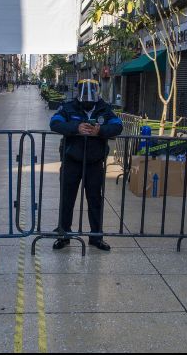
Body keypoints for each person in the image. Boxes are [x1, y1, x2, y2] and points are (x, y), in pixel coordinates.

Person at [49, 79, 122, 251]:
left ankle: (96, 237)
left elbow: (118, 126)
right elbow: (55, 123)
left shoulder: (105, 109)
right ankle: (63, 235)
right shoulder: (68, 107)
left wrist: (100, 131)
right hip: (71, 161)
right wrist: (76, 128)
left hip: (94, 163)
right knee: (66, 199)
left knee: (95, 200)